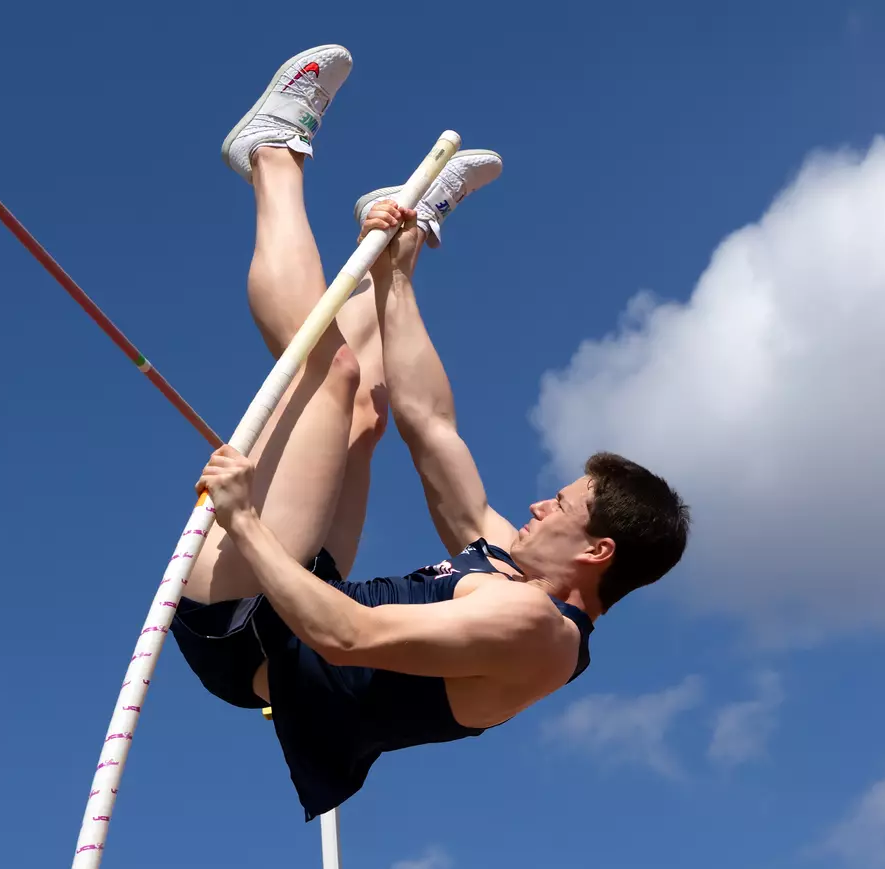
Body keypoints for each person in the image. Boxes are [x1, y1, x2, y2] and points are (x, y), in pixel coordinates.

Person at [174, 45, 690, 819]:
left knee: (328, 377)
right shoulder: (510, 565)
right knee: (368, 413)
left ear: (597, 551)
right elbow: (430, 425)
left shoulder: (534, 631)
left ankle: (271, 154)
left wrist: (242, 519)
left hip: (248, 633)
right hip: (298, 598)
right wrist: (397, 274)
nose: (541, 506)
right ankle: (394, 234)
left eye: (562, 504)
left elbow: (345, 636)